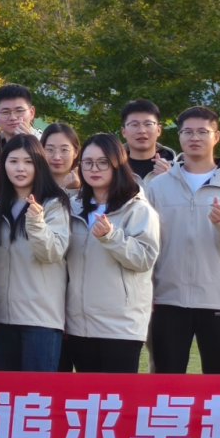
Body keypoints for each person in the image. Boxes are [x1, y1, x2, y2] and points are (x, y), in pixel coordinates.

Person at [145, 107, 220, 374]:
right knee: (166, 379)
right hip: (168, 297)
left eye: (202, 132)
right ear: (179, 136)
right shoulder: (158, 186)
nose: (194, 137)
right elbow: (147, 243)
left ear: (216, 136)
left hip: (219, 299)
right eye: (187, 132)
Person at [63, 133, 160, 374]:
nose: (94, 169)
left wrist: (111, 236)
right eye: (87, 162)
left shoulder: (137, 209)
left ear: (117, 164)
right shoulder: (73, 208)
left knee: (117, 395)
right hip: (78, 325)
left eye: (103, 162)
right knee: (86, 394)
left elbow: (144, 258)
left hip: (121, 326)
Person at [0, 135, 72, 371]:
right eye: (13, 161)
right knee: (4, 391)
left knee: (36, 391)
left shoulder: (54, 203)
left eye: (28, 162)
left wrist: (36, 222)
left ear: (39, 165)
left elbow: (52, 252)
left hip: (40, 318)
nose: (20, 168)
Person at [120, 99, 176, 180]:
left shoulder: (179, 168)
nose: (142, 131)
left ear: (159, 130)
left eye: (148, 124)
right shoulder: (112, 168)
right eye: (134, 125)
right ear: (123, 132)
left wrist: (170, 180)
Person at [40, 122, 82, 192]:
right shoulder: (30, 185)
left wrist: (73, 190)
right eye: (50, 149)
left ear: (76, 152)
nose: (57, 157)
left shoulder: (87, 187)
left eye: (64, 150)